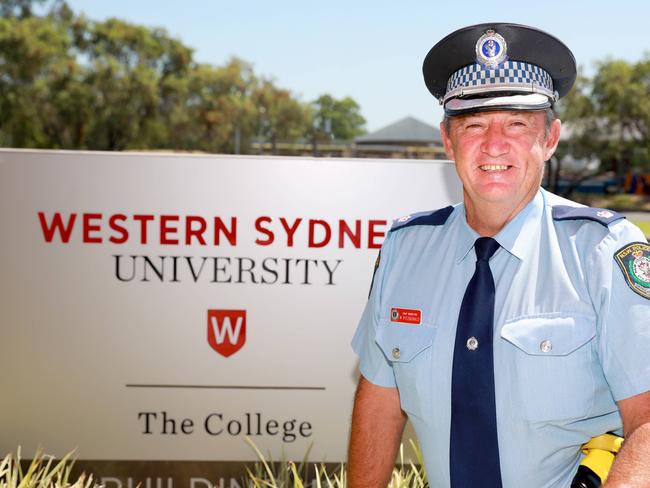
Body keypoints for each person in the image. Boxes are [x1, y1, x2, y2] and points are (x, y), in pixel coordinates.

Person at [348, 23, 650, 488]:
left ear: (549, 138)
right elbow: (380, 399)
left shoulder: (602, 253)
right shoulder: (404, 250)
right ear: (448, 141)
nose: (494, 145)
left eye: (516, 123)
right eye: (473, 125)